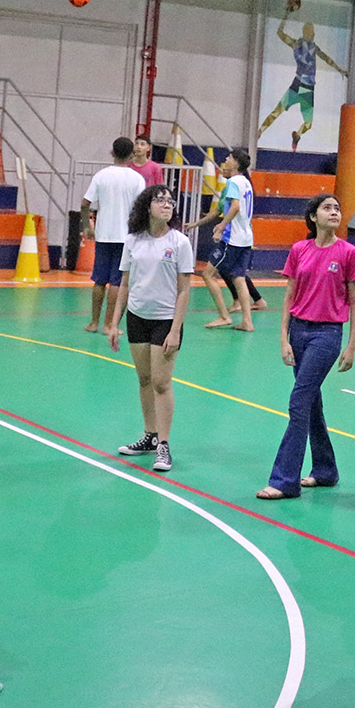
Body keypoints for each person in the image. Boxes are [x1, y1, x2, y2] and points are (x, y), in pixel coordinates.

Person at [257, 194, 355, 500]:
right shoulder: (299, 250)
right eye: (327, 208)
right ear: (313, 217)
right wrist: (284, 337)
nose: (334, 212)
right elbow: (289, 295)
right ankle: (326, 470)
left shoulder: (348, 253)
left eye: (337, 208)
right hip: (299, 332)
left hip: (327, 336)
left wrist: (351, 346)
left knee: (299, 401)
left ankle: (284, 480)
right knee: (312, 402)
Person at [110, 186, 193, 474]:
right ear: (147, 206)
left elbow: (184, 290)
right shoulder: (133, 240)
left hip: (165, 320)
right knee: (144, 379)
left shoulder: (180, 242)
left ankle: (164, 445)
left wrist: (175, 330)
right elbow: (125, 283)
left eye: (170, 201)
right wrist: (114, 322)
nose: (167, 205)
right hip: (137, 317)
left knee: (161, 382)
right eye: (160, 200)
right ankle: (150, 435)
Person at [259, 0, 348, 150]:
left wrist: (286, 14)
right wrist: (340, 69)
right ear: (309, 33)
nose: (313, 34)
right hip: (305, 87)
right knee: (306, 122)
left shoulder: (300, 44)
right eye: (312, 32)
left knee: (280, 112)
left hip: (300, 85)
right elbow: (326, 59)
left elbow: (280, 33)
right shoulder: (307, 46)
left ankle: (265, 131)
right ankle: (291, 133)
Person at [80, 138, 146, 334]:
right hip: (126, 237)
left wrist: (87, 226)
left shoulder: (101, 176)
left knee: (99, 279)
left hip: (103, 235)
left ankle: (94, 322)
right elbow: (141, 208)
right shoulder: (137, 179)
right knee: (117, 281)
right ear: (132, 154)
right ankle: (109, 324)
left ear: (112, 152)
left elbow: (85, 204)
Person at [205, 147, 257, 332]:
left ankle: (224, 316)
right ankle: (247, 322)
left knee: (208, 274)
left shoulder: (233, 181)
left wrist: (221, 225)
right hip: (246, 238)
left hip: (232, 238)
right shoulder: (246, 182)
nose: (226, 159)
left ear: (235, 163)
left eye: (229, 157)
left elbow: (235, 207)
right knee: (239, 278)